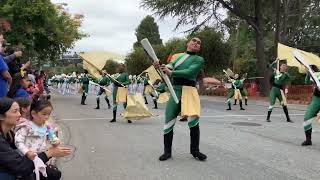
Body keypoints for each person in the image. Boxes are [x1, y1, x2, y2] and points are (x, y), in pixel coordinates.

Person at [154, 37, 207, 161]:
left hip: (190, 91)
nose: (196, 43)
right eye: (194, 41)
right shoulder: (177, 56)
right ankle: (167, 152)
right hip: (175, 90)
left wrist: (170, 72)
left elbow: (190, 72)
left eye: (199, 43)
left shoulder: (199, 59)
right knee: (169, 121)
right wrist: (160, 66)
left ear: (199, 48)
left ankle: (195, 151)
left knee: (193, 122)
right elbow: (169, 66)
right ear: (188, 43)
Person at [0, 97, 71, 179]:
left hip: (28, 163)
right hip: (15, 172)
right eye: (15, 111)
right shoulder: (23, 129)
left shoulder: (9, 133)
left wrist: (54, 142)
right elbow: (20, 167)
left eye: (19, 110)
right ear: (1, 116)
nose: (19, 114)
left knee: (54, 174)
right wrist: (49, 153)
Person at [15, 98, 61, 180]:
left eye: (48, 114)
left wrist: (55, 141)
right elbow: (18, 142)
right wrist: (27, 152)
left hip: (41, 157)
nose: (47, 117)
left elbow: (51, 136)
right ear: (33, 113)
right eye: (44, 114)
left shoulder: (46, 126)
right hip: (27, 159)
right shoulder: (27, 127)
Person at [301, 65, 320, 146]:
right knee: (307, 119)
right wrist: (309, 73)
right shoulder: (317, 74)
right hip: (317, 99)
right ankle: (308, 140)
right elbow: (307, 82)